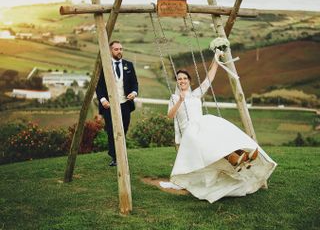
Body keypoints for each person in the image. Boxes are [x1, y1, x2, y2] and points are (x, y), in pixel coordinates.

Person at [165, 51, 277, 203]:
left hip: (201, 125)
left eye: (185, 78)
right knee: (210, 141)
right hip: (189, 132)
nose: (182, 81)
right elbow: (170, 116)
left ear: (189, 81)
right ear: (177, 82)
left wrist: (216, 59)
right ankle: (234, 157)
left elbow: (209, 79)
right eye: (179, 79)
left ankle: (240, 154)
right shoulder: (173, 98)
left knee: (219, 130)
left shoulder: (196, 94)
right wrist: (180, 101)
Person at [96, 40, 138, 167]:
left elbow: (135, 83)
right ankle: (114, 157)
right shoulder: (104, 66)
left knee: (123, 129)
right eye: (116, 49)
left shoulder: (129, 65)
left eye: (121, 49)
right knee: (112, 130)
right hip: (110, 105)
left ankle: (121, 154)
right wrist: (103, 100)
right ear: (110, 50)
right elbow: (99, 86)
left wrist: (134, 92)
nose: (119, 51)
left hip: (125, 104)